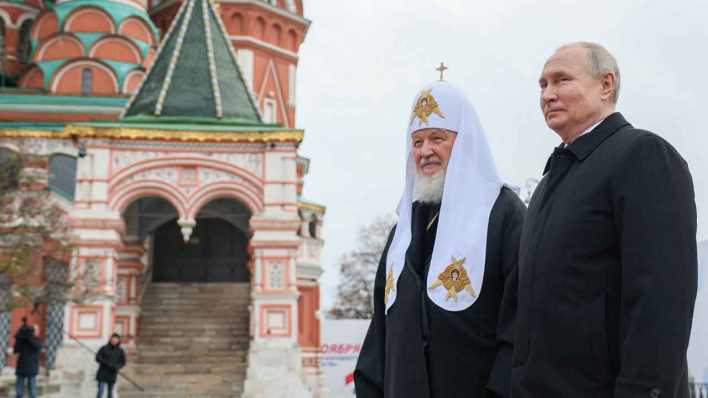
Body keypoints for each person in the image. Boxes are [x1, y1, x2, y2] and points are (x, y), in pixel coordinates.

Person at [512, 42, 697, 398]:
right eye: (542, 85)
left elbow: (659, 299)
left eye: (561, 80)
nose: (548, 94)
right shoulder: (552, 181)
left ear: (606, 84)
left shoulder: (642, 155)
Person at [354, 78, 525, 397]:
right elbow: (380, 333)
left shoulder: (502, 214)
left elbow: (519, 327)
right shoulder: (403, 228)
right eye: (417, 142)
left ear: (464, 144)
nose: (425, 151)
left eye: (437, 138)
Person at [14, 319, 42, 398]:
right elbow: (16, 350)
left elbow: (37, 346)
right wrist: (19, 337)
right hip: (21, 367)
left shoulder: (37, 340)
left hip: (32, 368)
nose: (36, 332)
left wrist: (29, 338)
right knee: (19, 393)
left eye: (36, 330)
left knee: (32, 392)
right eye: (35, 330)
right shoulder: (23, 340)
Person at [95, 333, 126, 398]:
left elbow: (123, 362)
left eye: (116, 340)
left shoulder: (120, 351)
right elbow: (97, 358)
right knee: (100, 390)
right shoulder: (103, 348)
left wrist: (117, 367)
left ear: (118, 341)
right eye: (113, 339)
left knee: (110, 392)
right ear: (110, 340)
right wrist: (105, 362)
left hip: (112, 373)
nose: (114, 341)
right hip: (102, 372)